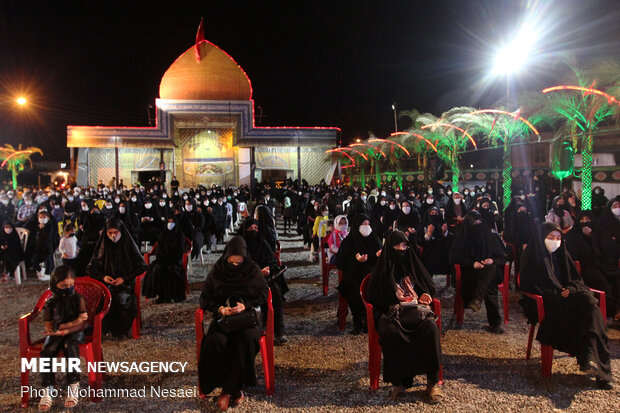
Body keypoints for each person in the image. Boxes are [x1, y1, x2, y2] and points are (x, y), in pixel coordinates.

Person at [520, 222, 612, 389]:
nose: (555, 241)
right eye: (550, 238)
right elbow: (527, 284)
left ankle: (593, 360)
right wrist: (555, 292)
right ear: (542, 238)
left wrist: (570, 289)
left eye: (558, 238)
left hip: (568, 297)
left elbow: (576, 279)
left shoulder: (563, 253)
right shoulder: (531, 254)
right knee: (592, 316)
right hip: (547, 301)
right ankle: (596, 363)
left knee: (590, 303)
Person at [366, 230, 443, 403]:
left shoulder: (412, 264)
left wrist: (424, 296)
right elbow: (374, 296)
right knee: (391, 332)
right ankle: (398, 382)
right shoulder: (383, 269)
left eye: (404, 245)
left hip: (416, 311)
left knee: (431, 329)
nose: (401, 249)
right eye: (397, 246)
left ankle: (432, 382)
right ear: (389, 247)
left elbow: (427, 286)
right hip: (390, 313)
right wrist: (395, 298)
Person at [198, 236, 269, 411]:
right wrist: (221, 309)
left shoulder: (252, 270)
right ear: (226, 258)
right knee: (215, 342)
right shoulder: (218, 270)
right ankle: (234, 389)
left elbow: (263, 296)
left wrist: (246, 306)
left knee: (246, 340)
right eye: (232, 262)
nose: (235, 266)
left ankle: (227, 391)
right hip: (224, 319)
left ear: (245, 259)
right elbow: (204, 299)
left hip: (247, 320)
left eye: (239, 263)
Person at [86, 218, 148, 337]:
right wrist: (104, 277)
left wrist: (124, 278)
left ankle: (120, 330)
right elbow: (90, 268)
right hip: (106, 284)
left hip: (125, 284)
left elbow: (142, 266)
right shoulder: (103, 245)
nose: (113, 235)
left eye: (116, 232)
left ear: (121, 231)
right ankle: (105, 329)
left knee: (120, 299)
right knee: (102, 300)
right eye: (110, 233)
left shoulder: (128, 244)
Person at [38, 265, 88, 410]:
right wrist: (50, 330)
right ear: (55, 285)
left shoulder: (78, 299)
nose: (68, 288)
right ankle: (47, 387)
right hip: (57, 331)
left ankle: (73, 385)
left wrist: (67, 328)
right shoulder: (52, 301)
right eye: (63, 286)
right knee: (48, 349)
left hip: (75, 331)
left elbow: (83, 320)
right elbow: (47, 321)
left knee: (70, 347)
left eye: (71, 285)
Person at [450, 211, 506, 333]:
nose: (477, 225)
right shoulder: (463, 238)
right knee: (489, 284)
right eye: (474, 223)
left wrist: (492, 260)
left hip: (488, 270)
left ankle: (477, 299)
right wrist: (472, 264)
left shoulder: (490, 236)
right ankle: (494, 323)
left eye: (479, 222)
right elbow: (454, 257)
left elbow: (501, 257)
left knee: (490, 271)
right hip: (470, 272)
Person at [241, 218, 289, 345]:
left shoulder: (262, 242)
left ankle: (279, 331)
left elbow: (272, 261)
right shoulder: (240, 246)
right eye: (250, 229)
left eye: (256, 229)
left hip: (266, 279)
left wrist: (268, 269)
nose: (254, 231)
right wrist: (256, 272)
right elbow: (238, 266)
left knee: (276, 296)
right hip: (246, 281)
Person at [566, 211, 620, 322]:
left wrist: (592, 236)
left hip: (603, 264)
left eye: (587, 220)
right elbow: (576, 254)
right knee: (602, 282)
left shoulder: (598, 231)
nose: (585, 222)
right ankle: (609, 311)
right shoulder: (574, 234)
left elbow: (607, 249)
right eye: (582, 220)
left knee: (617, 277)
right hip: (587, 266)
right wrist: (586, 239)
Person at [336, 214, 382, 334]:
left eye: (368, 224)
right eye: (363, 224)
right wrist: (356, 260)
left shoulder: (375, 239)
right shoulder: (349, 242)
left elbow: (379, 258)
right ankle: (358, 320)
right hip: (354, 274)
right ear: (357, 226)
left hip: (372, 276)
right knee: (354, 289)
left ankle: (372, 319)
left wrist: (377, 256)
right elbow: (341, 261)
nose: (366, 226)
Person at [142, 216, 188, 303]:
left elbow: (180, 251)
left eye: (172, 222)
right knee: (157, 269)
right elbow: (159, 250)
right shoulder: (162, 235)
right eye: (169, 222)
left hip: (175, 261)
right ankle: (161, 296)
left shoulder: (179, 235)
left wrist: (172, 260)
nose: (170, 224)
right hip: (163, 259)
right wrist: (163, 259)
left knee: (172, 270)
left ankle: (173, 296)